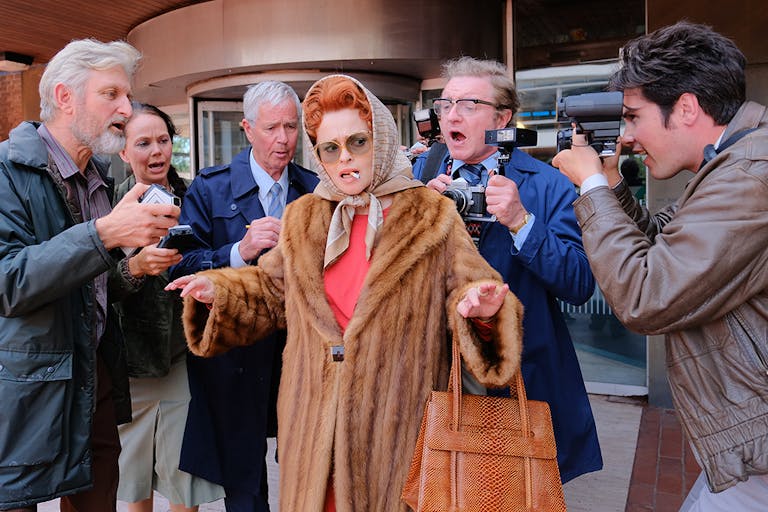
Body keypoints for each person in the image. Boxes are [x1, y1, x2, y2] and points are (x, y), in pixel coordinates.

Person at [166, 73, 524, 512]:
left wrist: (482, 310)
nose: (344, 160)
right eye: (330, 148)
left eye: (357, 142)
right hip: (313, 435)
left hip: (395, 436)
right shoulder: (305, 216)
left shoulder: (431, 216)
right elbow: (270, 290)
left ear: (382, 138)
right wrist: (217, 293)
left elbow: (473, 290)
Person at [552, 21, 768, 510]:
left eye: (634, 117)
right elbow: (663, 246)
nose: (628, 135)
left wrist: (590, 189)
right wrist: (610, 186)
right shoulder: (731, 163)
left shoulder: (750, 177)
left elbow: (648, 295)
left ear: (686, 108)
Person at [0, 39, 181, 511]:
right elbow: (9, 282)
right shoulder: (5, 172)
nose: (127, 107)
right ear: (65, 98)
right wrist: (103, 235)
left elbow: (88, 287)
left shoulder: (98, 177)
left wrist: (133, 268)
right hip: (27, 389)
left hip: (94, 376)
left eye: (127, 94)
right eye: (112, 94)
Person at [411, 56, 602, 483]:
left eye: (469, 105)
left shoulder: (546, 183)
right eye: (445, 105)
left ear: (503, 118)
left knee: (515, 494)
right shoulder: (418, 179)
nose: (451, 115)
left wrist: (520, 221)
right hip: (436, 378)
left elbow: (578, 283)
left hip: (520, 379)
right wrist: (417, 218)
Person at [169, 81, 318, 512]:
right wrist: (240, 251)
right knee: (244, 486)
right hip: (236, 358)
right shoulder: (209, 188)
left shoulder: (314, 189)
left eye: (291, 127)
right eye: (272, 127)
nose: (283, 139)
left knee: (304, 469)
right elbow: (182, 266)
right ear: (247, 129)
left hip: (298, 354)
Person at [113, 103, 225, 512]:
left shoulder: (196, 197)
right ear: (124, 151)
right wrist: (135, 267)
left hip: (184, 357)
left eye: (163, 140)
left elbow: (218, 259)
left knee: (185, 480)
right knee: (133, 481)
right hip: (130, 366)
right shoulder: (108, 205)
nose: (156, 151)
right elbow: (98, 287)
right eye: (143, 143)